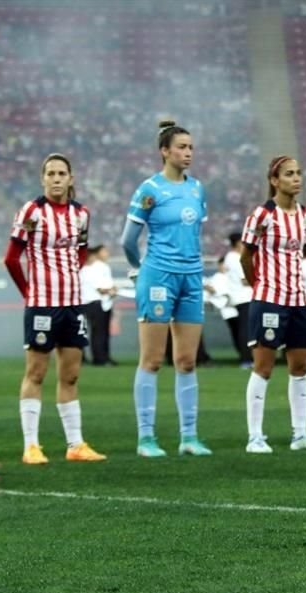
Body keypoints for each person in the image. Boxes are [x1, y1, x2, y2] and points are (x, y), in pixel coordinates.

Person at [2, 153, 106, 464]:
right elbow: (11, 258)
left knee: (71, 375)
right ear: (43, 178)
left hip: (73, 306)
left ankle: (75, 445)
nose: (57, 178)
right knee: (35, 373)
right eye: (51, 173)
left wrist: (71, 278)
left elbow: (82, 250)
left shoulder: (81, 214)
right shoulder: (31, 212)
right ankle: (31, 446)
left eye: (62, 173)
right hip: (42, 306)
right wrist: (28, 292)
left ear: (71, 178)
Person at [121, 119, 211, 457]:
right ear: (164, 151)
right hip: (158, 277)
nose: (188, 153)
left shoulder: (197, 189)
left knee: (187, 360)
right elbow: (128, 240)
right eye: (181, 147)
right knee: (153, 359)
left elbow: (194, 235)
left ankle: (189, 437)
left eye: (190, 148)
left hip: (191, 277)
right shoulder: (150, 190)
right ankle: (146, 438)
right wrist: (139, 270)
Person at [240, 156, 306, 453]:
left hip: (299, 300)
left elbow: (302, 251)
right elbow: (246, 256)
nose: (297, 178)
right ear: (274, 180)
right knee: (263, 367)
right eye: (289, 174)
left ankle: (300, 434)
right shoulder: (262, 215)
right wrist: (259, 286)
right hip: (269, 300)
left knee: (301, 366)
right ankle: (255, 436)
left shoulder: (305, 216)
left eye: (299, 173)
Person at [80, 245, 117, 366]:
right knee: (99, 332)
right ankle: (100, 358)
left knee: (101, 332)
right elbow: (100, 287)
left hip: (100, 302)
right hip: (95, 302)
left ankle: (103, 356)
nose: (107, 253)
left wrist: (111, 289)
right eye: (104, 251)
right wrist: (110, 290)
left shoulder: (95, 267)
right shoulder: (93, 268)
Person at [224, 232, 254, 368]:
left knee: (245, 329)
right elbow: (245, 280)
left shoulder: (229, 258)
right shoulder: (237, 258)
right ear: (238, 243)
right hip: (244, 296)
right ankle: (247, 359)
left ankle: (247, 358)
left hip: (239, 297)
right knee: (246, 330)